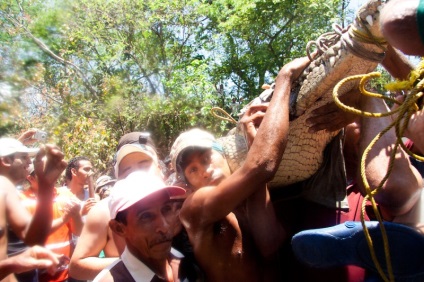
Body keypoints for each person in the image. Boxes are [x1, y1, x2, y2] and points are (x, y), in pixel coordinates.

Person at [284, 45, 424, 281]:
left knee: (400, 195)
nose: (361, 119)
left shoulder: (403, 150)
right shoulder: (317, 183)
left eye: (360, 114)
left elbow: (417, 96)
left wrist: (381, 46)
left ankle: (396, 241)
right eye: (354, 114)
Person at [170, 56, 312, 281]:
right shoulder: (196, 207)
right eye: (193, 170)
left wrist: (252, 142)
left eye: (207, 158)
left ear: (225, 155)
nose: (205, 171)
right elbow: (262, 166)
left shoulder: (245, 198)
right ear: (187, 185)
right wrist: (285, 77)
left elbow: (270, 244)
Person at [69, 132, 165, 280]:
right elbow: (77, 266)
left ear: (159, 169)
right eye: (127, 170)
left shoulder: (177, 203)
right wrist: (134, 264)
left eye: (144, 165)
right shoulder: (104, 211)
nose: (135, 173)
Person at [93, 171, 191, 281]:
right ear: (119, 228)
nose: (164, 227)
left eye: (166, 209)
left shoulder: (185, 261)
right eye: (146, 216)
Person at [0, 137, 68, 281]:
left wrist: (46, 185)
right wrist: (10, 265)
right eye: (24, 157)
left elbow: (32, 237)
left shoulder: (5, 188)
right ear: (5, 161)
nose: (29, 162)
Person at [20, 163, 83, 282]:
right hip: (37, 274)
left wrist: (76, 215)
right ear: (30, 178)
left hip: (66, 274)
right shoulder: (22, 201)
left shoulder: (65, 196)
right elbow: (31, 235)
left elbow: (78, 231)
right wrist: (65, 217)